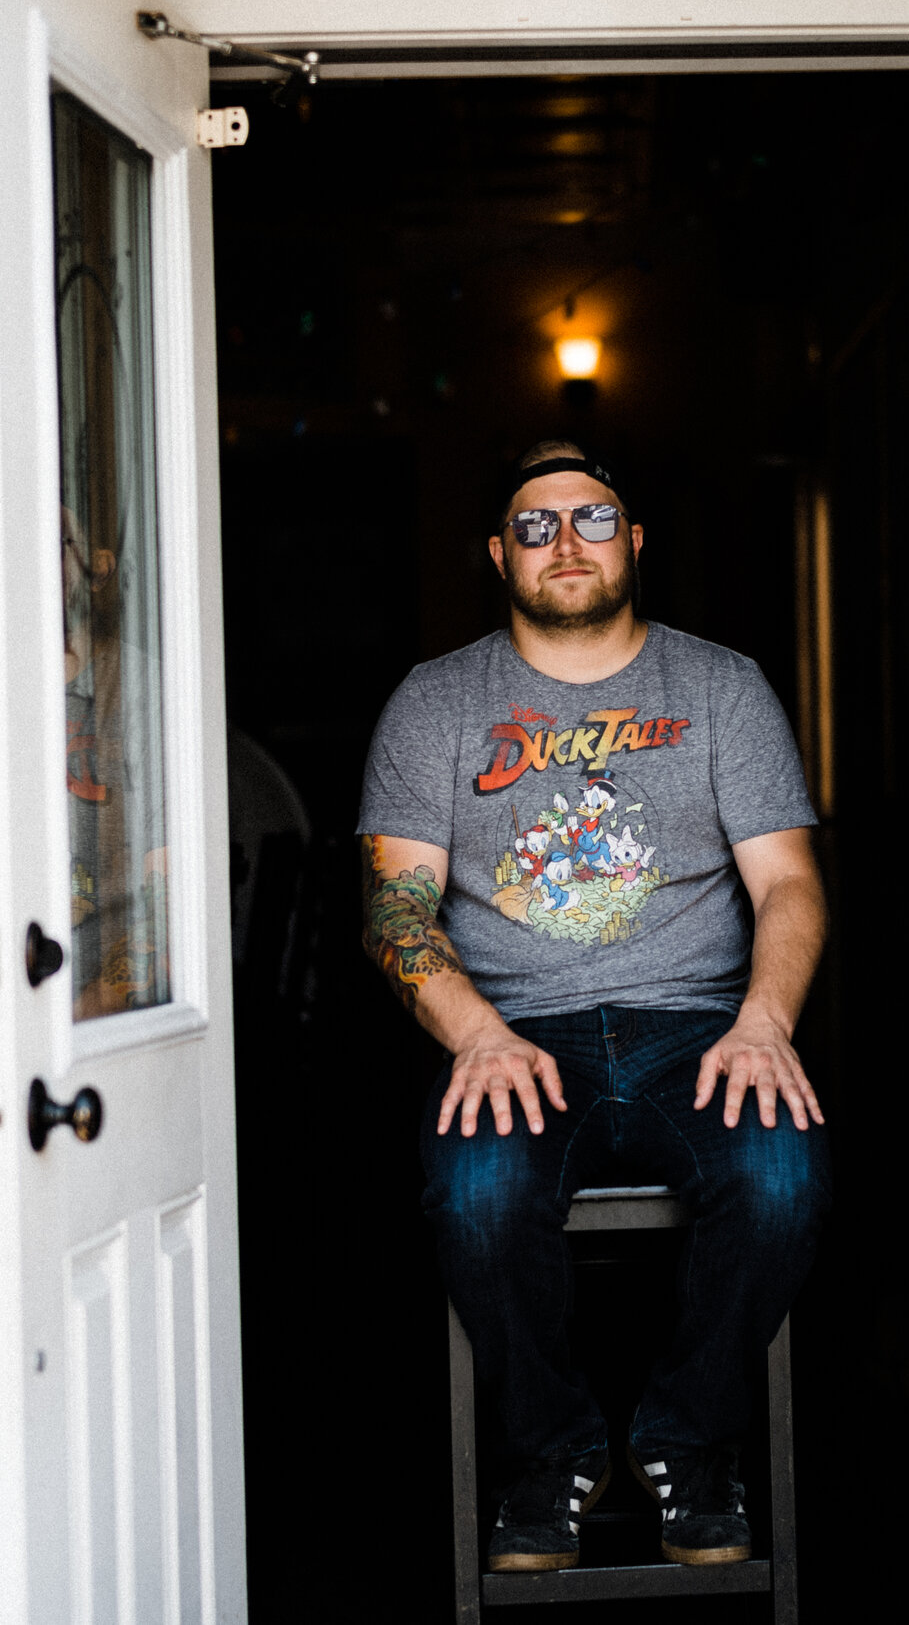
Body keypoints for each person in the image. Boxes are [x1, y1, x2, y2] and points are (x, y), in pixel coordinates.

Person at [357, 441, 831, 1572]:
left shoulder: (721, 686)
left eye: (591, 517)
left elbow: (789, 883)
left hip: (699, 1028)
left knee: (783, 1174)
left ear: (634, 538)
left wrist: (764, 1019)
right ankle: (551, 1455)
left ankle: (688, 1442)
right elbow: (394, 906)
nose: (563, 541)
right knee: (475, 1187)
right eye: (533, 524)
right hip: (517, 1034)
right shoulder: (436, 701)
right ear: (496, 554)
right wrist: (475, 1031)